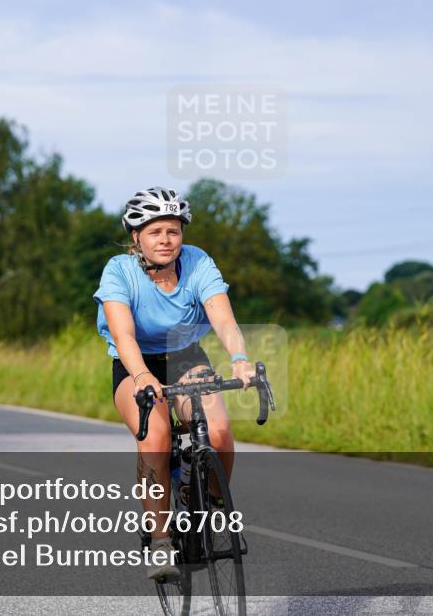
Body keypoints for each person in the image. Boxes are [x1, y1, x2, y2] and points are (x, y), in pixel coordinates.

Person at [94, 187, 253, 580]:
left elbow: (223, 319)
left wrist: (240, 360)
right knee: (157, 438)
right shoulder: (119, 270)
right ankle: (160, 540)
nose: (166, 240)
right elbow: (124, 335)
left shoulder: (198, 262)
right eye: (155, 232)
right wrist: (143, 376)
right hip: (136, 364)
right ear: (137, 237)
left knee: (217, 431)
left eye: (173, 231)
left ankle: (211, 502)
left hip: (185, 357)